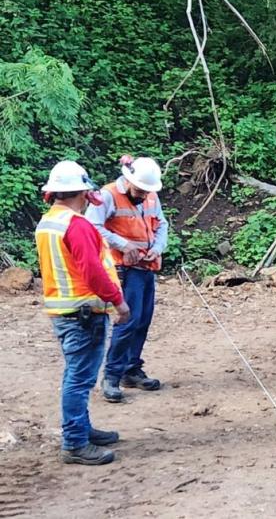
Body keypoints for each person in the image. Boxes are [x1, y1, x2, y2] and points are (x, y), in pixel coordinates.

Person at [35, 161, 132, 465]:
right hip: (83, 311)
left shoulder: (49, 221)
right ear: (81, 192)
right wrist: (118, 301)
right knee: (80, 378)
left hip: (65, 310)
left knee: (78, 374)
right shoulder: (76, 226)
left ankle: (82, 430)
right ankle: (75, 442)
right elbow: (92, 270)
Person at [86, 155, 168, 404]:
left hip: (147, 266)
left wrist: (158, 247)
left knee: (142, 320)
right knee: (128, 321)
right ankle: (112, 375)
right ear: (128, 181)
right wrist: (123, 244)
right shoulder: (108, 194)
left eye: (147, 191)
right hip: (123, 268)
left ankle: (131, 370)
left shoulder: (151, 195)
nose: (144, 195)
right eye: (140, 190)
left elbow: (162, 223)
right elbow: (92, 225)